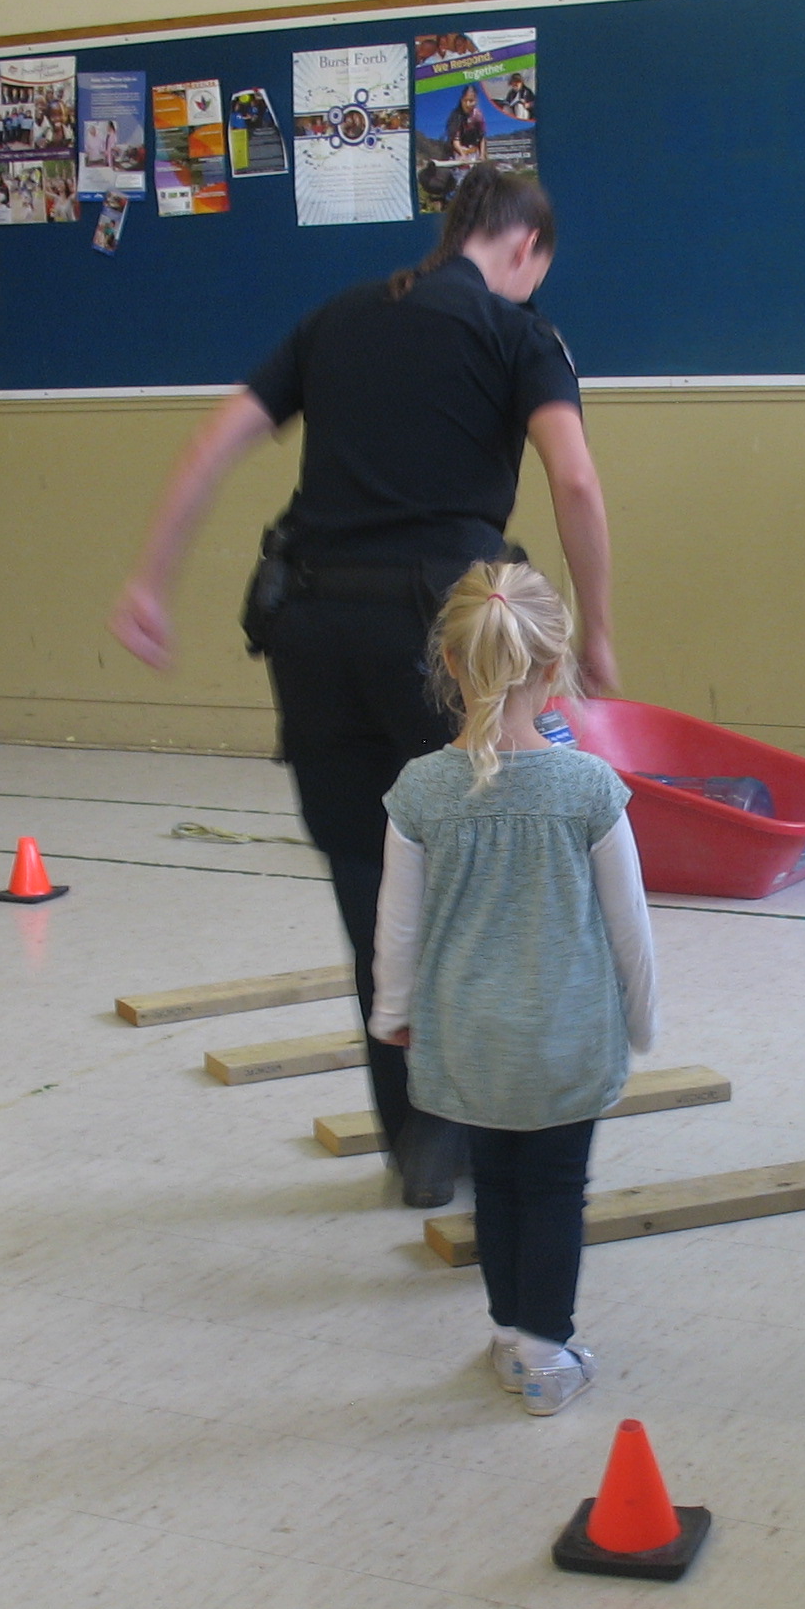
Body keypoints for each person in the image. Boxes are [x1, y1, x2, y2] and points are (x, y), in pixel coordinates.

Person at [109, 167, 618, 1207]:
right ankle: (480, 1120)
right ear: (524, 249)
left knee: (365, 881)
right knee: (478, 880)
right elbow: (572, 477)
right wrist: (598, 630)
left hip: (316, 631)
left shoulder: (336, 318)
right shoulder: (522, 337)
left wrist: (152, 580)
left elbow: (218, 439)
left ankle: (418, 1142)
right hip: (445, 641)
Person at [370, 563, 654, 1415]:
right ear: (555, 663)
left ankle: (509, 1329)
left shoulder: (420, 790)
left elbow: (398, 927)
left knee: (494, 1183)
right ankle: (545, 1349)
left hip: (467, 1037)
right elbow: (628, 928)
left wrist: (393, 1013)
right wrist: (640, 1024)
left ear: (450, 666)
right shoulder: (592, 788)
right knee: (557, 1187)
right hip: (567, 1037)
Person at [445, 84, 487, 160]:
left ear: (476, 101)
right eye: (465, 100)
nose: (467, 104)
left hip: (473, 153)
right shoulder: (455, 115)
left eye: (471, 101)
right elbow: (455, 139)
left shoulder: (478, 115)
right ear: (461, 100)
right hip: (458, 153)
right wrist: (462, 154)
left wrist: (482, 155)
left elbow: (481, 137)